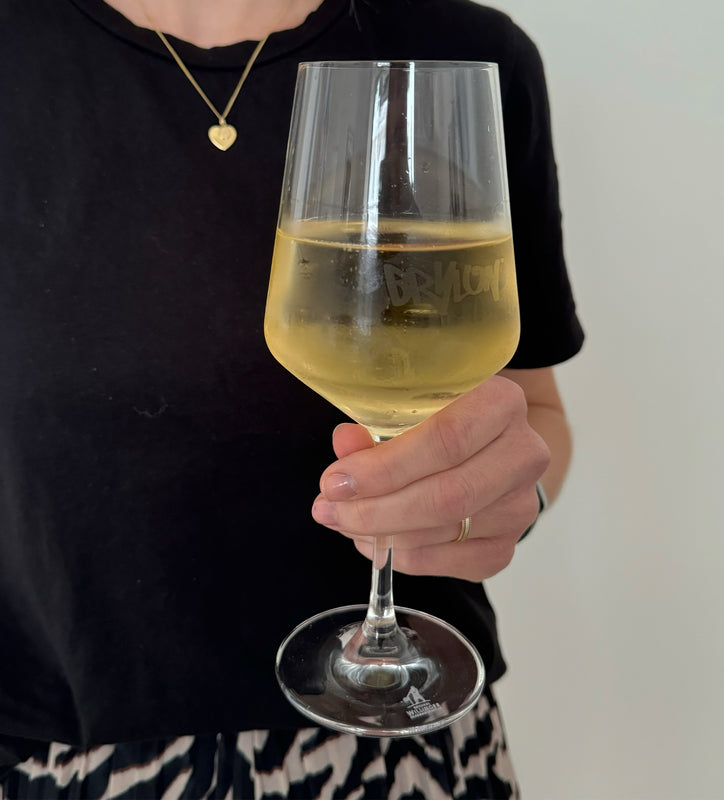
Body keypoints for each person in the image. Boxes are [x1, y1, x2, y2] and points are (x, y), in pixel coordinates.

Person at [0, 0, 584, 796]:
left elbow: (535, 411)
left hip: (401, 737)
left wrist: (503, 499)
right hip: (48, 750)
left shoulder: (465, 52)